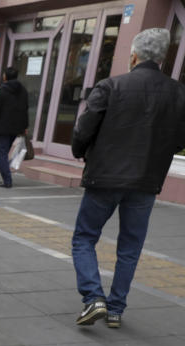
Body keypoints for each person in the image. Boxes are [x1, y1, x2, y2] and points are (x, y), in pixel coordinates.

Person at [70, 28, 185, 328]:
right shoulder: (178, 93)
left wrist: (80, 151)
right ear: (162, 58)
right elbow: (180, 138)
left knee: (84, 237)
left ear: (134, 55)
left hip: (105, 178)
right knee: (130, 247)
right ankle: (116, 308)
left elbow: (84, 129)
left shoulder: (111, 86)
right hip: (146, 182)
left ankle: (93, 297)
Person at [0, 67, 29, 188]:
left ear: (5, 76)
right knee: (3, 152)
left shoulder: (1, 90)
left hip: (2, 127)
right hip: (16, 128)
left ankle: (7, 180)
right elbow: (25, 109)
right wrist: (24, 127)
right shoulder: (23, 91)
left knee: (2, 153)